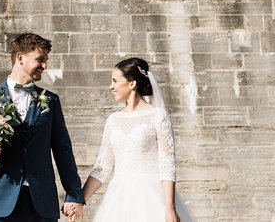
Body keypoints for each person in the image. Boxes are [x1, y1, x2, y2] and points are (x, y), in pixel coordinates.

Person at [0, 32, 85, 222]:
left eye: (46, 60)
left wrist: (74, 195)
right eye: (40, 59)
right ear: (20, 57)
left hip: (41, 203)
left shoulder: (51, 101)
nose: (44, 66)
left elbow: (63, 151)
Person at [82, 57, 194, 222]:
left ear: (132, 83)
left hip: (151, 197)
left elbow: (167, 164)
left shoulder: (158, 116)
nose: (111, 86)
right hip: (119, 199)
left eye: (115, 81)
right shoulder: (113, 120)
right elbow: (102, 167)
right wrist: (78, 199)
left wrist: (170, 208)